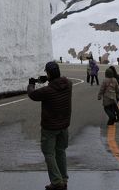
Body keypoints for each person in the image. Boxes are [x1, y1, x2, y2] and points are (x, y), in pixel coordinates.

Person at [28, 62, 73, 190]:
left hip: (50, 128)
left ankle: (57, 181)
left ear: (49, 73)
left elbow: (32, 94)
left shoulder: (47, 91)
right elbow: (58, 83)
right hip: (64, 125)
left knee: (49, 154)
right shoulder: (68, 84)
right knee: (60, 152)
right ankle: (63, 179)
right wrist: (48, 79)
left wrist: (31, 84)